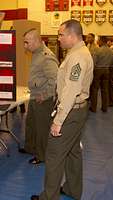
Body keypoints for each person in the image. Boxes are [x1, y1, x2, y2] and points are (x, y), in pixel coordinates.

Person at [31, 19, 93, 200]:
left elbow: (71, 90)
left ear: (72, 35)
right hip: (76, 111)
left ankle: (49, 197)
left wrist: (58, 121)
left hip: (70, 112)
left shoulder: (78, 57)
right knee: (73, 152)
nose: (58, 38)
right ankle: (73, 189)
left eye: (60, 34)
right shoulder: (77, 53)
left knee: (54, 155)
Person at [18, 29, 58, 164]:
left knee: (41, 129)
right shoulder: (36, 53)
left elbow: (55, 80)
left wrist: (45, 95)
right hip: (35, 96)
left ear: (36, 41)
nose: (25, 46)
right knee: (31, 125)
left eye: (26, 42)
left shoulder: (47, 56)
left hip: (43, 99)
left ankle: (41, 156)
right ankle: (31, 148)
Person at [90, 36, 113, 112]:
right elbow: (112, 61)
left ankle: (93, 107)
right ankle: (104, 107)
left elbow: (94, 62)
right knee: (105, 89)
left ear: (101, 41)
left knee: (94, 89)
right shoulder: (111, 51)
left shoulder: (98, 50)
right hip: (106, 70)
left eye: (98, 40)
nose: (97, 42)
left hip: (98, 70)